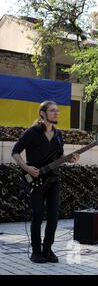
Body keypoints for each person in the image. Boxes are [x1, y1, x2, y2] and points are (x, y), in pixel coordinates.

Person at [12, 100, 80, 263]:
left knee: (53, 216)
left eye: (57, 111)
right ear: (42, 113)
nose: (57, 113)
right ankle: (36, 252)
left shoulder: (58, 134)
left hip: (53, 179)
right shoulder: (32, 132)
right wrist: (27, 169)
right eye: (52, 111)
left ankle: (48, 249)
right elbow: (15, 152)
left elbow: (59, 157)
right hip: (35, 180)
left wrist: (71, 159)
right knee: (37, 215)